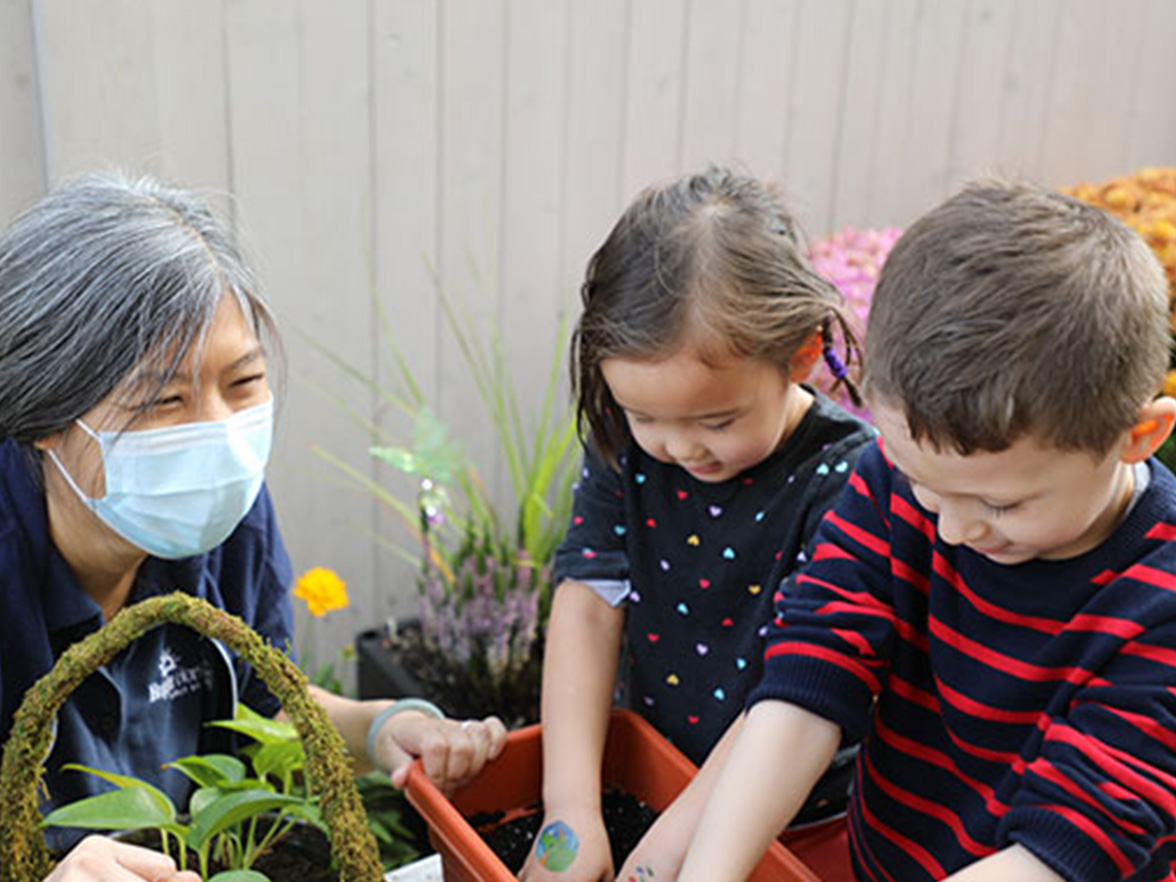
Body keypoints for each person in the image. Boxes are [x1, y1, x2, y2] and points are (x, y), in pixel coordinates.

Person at [0, 171, 507, 882]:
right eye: (164, 400)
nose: (219, 435)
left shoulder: (221, 514)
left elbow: (268, 710)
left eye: (242, 384)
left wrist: (384, 728)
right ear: (46, 414)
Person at [678, 179, 1176, 882]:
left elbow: (1070, 845)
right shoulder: (898, 480)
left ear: (1138, 435)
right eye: (925, 484)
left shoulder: (1159, 605)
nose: (951, 527)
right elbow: (810, 677)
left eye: (1001, 505)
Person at [520, 166, 877, 882]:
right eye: (644, 415)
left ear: (802, 354)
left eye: (717, 420)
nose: (679, 448)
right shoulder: (625, 447)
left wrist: (663, 855)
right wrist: (571, 812)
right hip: (655, 771)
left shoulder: (845, 479)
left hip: (796, 819)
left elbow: (796, 690)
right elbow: (590, 605)